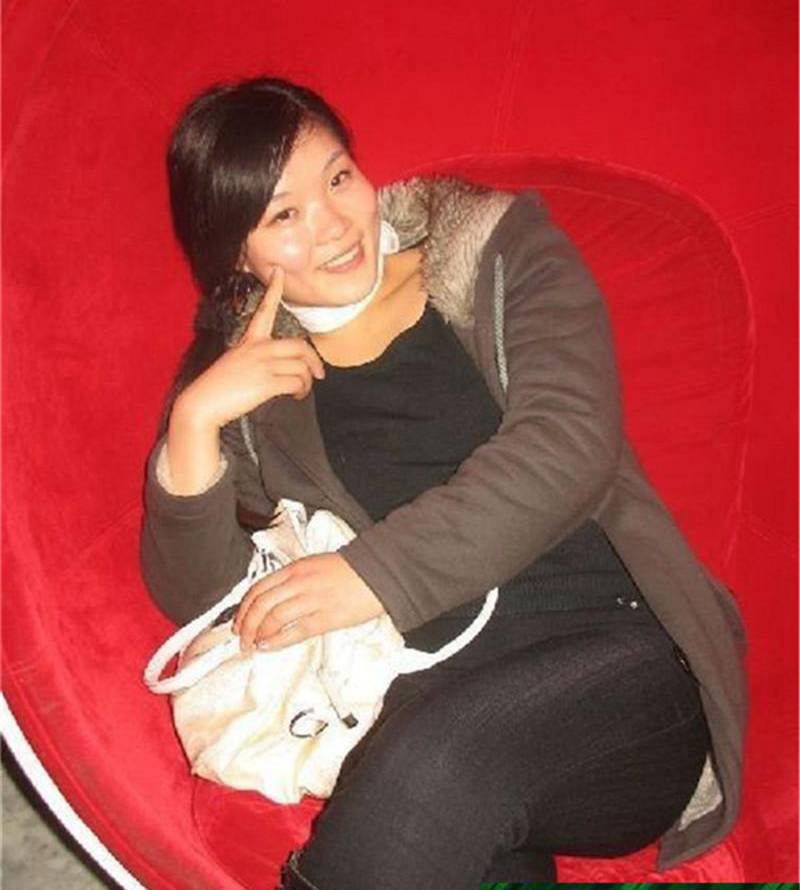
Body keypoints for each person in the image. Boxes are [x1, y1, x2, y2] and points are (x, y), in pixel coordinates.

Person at [140, 76, 748, 888]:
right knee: (446, 795)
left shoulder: (494, 253)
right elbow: (204, 598)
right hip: (437, 701)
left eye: (338, 177)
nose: (334, 224)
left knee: (435, 758)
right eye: (284, 216)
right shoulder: (255, 381)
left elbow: (570, 443)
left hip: (624, 670)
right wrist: (194, 422)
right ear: (236, 257)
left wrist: (371, 576)